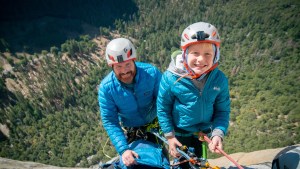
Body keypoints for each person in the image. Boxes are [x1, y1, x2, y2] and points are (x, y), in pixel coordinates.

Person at [157, 22, 230, 168]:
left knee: (199, 165)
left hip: (202, 136)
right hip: (179, 134)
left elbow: (222, 111)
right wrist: (170, 137)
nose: (201, 59)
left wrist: (217, 133)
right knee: (182, 165)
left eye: (207, 54)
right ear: (185, 54)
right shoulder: (171, 77)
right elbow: (163, 108)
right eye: (195, 53)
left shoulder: (219, 79)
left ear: (215, 56)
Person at [98, 38, 163, 167]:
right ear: (111, 66)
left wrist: (170, 131)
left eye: (128, 64)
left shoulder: (151, 74)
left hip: (155, 122)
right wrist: (123, 149)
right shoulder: (106, 88)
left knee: (160, 158)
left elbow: (164, 102)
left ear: (134, 60)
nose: (124, 71)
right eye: (119, 66)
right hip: (131, 128)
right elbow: (110, 121)